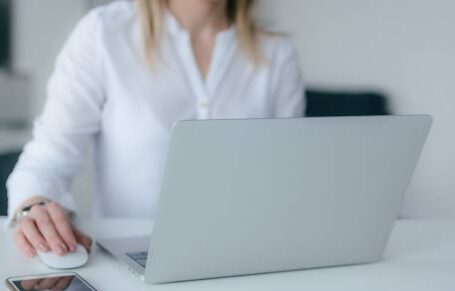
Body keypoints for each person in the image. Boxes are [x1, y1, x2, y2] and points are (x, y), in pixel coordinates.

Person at [7, 0, 305, 257]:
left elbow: (289, 181)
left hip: (245, 261)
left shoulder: (277, 53)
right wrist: (33, 206)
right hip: (128, 265)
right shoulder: (104, 34)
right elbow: (46, 162)